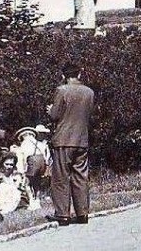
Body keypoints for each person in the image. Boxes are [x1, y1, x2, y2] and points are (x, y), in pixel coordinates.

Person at [47, 62, 94, 226]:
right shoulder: (89, 92)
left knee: (61, 177)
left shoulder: (62, 90)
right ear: (80, 74)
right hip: (82, 139)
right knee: (81, 176)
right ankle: (82, 213)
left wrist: (50, 110)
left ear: (63, 75)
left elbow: (54, 115)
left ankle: (62, 214)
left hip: (63, 139)